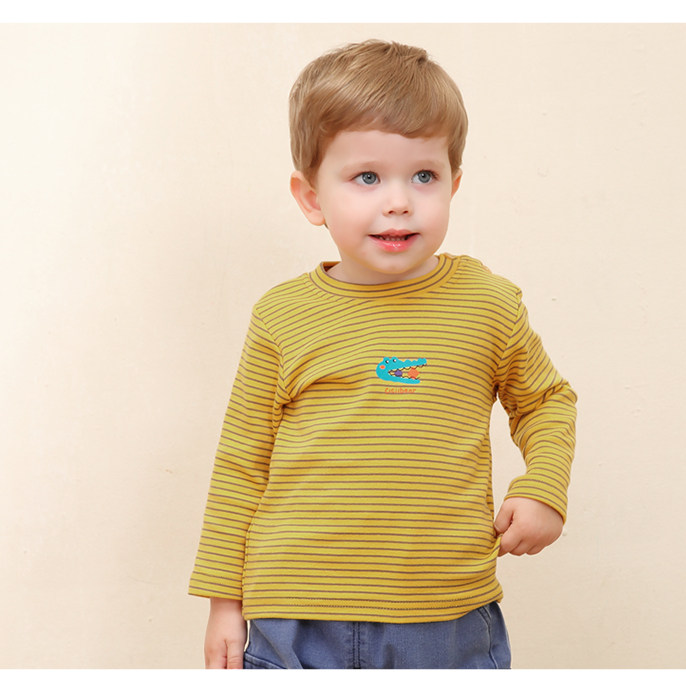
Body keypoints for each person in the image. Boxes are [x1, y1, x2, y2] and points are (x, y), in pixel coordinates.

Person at [189, 39, 577, 669]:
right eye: (366, 177)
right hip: (294, 615)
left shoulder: (486, 301)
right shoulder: (281, 315)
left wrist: (545, 488)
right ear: (311, 197)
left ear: (454, 183)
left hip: (444, 613)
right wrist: (223, 603)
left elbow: (546, 401)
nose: (399, 200)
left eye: (424, 176)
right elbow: (241, 463)